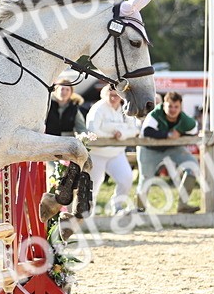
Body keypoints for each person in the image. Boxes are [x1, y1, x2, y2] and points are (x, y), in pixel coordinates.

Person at [137, 90, 201, 214]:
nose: (173, 109)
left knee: (192, 166)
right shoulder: (155, 114)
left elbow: (194, 130)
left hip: (172, 148)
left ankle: (183, 205)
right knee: (145, 178)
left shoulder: (184, 119)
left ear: (180, 107)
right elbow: (147, 132)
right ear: (163, 105)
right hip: (149, 149)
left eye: (176, 107)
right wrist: (168, 134)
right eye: (170, 106)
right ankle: (140, 210)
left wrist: (180, 133)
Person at [85, 85, 139, 214]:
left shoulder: (125, 110)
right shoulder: (98, 108)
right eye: (111, 95)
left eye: (117, 95)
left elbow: (135, 129)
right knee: (94, 185)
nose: (114, 98)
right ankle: (87, 214)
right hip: (97, 153)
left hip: (117, 153)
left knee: (126, 178)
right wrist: (111, 135)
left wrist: (122, 134)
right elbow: (92, 130)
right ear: (105, 95)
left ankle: (117, 207)